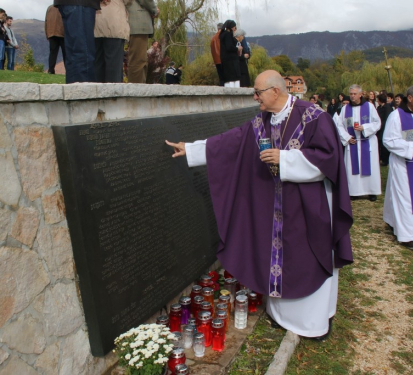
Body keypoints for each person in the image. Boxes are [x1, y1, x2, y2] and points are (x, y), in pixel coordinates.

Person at [165, 70, 353, 340]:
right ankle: (280, 315)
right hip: (275, 208)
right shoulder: (261, 121)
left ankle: (310, 323)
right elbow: (231, 143)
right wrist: (193, 149)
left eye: (258, 92)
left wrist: (285, 159)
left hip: (306, 208)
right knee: (276, 256)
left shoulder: (314, 116)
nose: (255, 98)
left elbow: (328, 158)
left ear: (275, 91)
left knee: (305, 258)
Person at [336, 84, 381, 201]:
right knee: (352, 168)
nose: (352, 96)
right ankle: (353, 191)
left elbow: (377, 123)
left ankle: (372, 191)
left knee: (370, 167)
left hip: (367, 141)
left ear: (361, 94)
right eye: (351, 94)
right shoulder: (345, 109)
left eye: (354, 94)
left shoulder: (369, 107)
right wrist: (346, 137)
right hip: (353, 142)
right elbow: (339, 125)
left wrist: (365, 128)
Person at [383, 86, 413, 250]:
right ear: (410, 98)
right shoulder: (396, 116)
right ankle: (407, 235)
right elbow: (389, 140)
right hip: (403, 163)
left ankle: (391, 219)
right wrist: (410, 149)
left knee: (395, 193)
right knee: (404, 197)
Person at [54, 0, 108, 83]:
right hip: (81, 4)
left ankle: (74, 92)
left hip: (70, 4)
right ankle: (85, 93)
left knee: (73, 55)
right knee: (83, 53)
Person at [93, 0, 129, 83]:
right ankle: (113, 95)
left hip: (96, 23)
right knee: (114, 69)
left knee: (97, 67)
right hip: (114, 22)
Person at [126, 0, 159, 83]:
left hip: (133, 22)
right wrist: (154, 10)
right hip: (137, 23)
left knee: (138, 61)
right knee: (138, 62)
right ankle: (136, 92)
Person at [219, 20, 241, 88]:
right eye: (234, 27)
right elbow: (229, 47)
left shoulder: (222, 35)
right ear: (231, 27)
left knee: (228, 79)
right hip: (231, 61)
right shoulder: (228, 35)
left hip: (226, 60)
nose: (235, 29)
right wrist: (237, 48)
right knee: (233, 79)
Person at [45, 4, 66, 74]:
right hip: (63, 33)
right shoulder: (65, 6)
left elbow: (46, 21)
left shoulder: (50, 8)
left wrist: (47, 34)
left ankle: (51, 70)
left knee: (52, 53)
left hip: (51, 33)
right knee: (66, 54)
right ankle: (68, 70)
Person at [376, 93, 393, 166]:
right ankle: (380, 158)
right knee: (379, 144)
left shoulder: (387, 108)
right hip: (379, 129)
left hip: (385, 128)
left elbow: (387, 119)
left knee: (384, 145)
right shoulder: (379, 108)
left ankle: (385, 160)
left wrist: (381, 125)